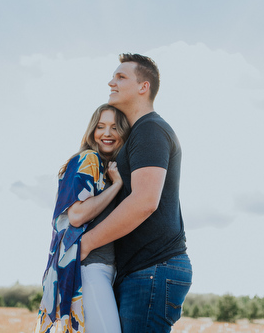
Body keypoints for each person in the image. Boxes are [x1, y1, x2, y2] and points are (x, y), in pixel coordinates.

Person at [80, 53, 192, 332]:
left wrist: (87, 243)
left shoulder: (150, 129)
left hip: (154, 267)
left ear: (144, 87)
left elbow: (144, 202)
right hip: (144, 270)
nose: (111, 82)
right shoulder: (138, 134)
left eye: (120, 77)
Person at [35, 104, 130, 333]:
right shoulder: (88, 159)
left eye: (115, 128)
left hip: (105, 269)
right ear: (92, 131)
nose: (107, 133)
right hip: (88, 268)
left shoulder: (107, 167)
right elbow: (76, 215)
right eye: (101, 127)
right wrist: (116, 185)